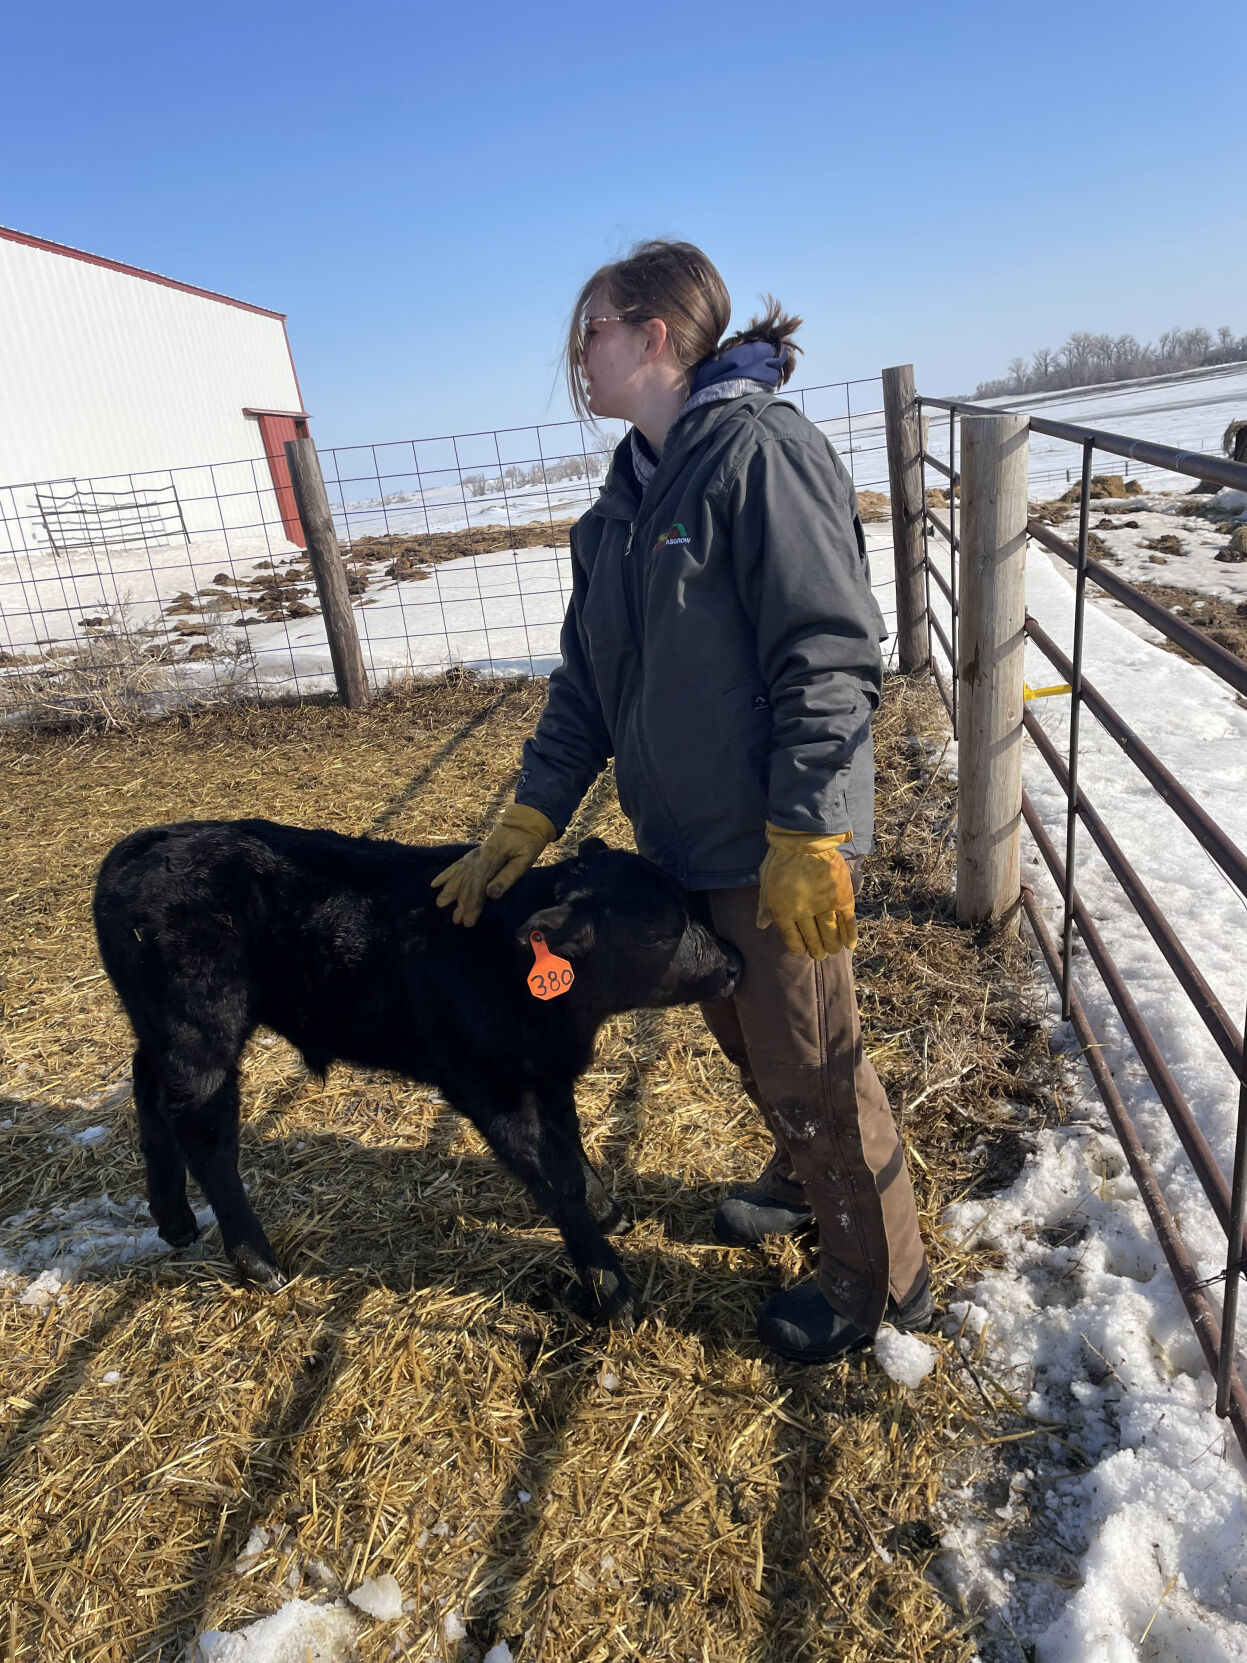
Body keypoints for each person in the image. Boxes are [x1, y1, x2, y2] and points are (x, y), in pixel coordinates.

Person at [431, 239, 932, 1362]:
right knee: (759, 1049)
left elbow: (829, 650)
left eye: (591, 332)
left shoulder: (759, 456)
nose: (578, 357)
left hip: (768, 845)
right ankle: (807, 1183)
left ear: (655, 334)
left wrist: (808, 825)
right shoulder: (618, 506)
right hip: (684, 849)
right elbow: (586, 687)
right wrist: (529, 812)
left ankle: (880, 1284)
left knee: (813, 1059)